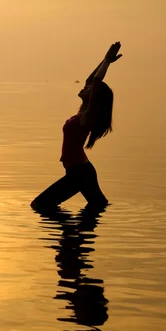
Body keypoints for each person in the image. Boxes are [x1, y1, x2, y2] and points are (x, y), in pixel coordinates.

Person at [31, 42, 123, 211]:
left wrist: (108, 63)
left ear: (94, 97)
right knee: (98, 205)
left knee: (40, 205)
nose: (85, 86)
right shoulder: (83, 113)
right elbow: (91, 79)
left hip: (80, 173)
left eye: (89, 89)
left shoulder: (88, 117)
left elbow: (95, 81)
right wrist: (105, 59)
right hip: (79, 171)